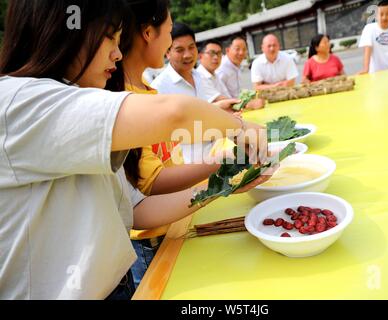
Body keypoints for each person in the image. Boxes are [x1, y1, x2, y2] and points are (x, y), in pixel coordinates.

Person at [0, 0, 269, 300]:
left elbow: (138, 209)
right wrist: (238, 128)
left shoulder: (78, 104)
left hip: (119, 286)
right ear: (65, 29)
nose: (117, 53)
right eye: (109, 37)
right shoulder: (16, 102)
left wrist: (225, 184)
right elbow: (174, 115)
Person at [105, 0, 229, 288]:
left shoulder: (147, 92)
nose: (173, 43)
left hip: (173, 218)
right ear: (149, 33)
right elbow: (153, 183)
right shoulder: (128, 101)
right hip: (151, 237)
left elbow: (170, 150)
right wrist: (222, 170)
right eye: (170, 32)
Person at [152, 23, 230, 104]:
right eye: (180, 50)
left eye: (191, 47)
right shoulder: (158, 88)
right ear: (167, 53)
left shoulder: (200, 77)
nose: (188, 55)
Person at [216, 35, 265, 109]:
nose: (241, 53)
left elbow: (237, 93)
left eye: (244, 49)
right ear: (228, 50)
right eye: (237, 49)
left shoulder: (236, 65)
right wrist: (247, 105)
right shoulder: (221, 69)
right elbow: (220, 100)